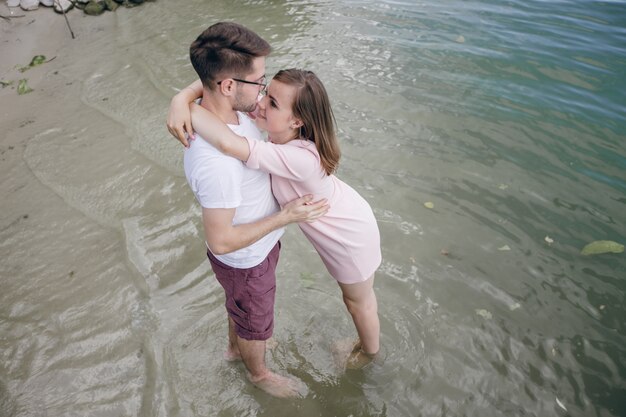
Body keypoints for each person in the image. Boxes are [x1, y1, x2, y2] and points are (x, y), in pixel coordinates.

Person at [168, 68, 382, 369]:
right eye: (266, 93)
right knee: (355, 300)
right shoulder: (279, 128)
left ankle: (369, 355)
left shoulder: (300, 158)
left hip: (348, 236)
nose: (260, 102)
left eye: (273, 103)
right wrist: (184, 96)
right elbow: (218, 86)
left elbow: (229, 144)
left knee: (358, 302)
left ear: (296, 121)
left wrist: (183, 105)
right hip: (344, 215)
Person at [170, 22, 329, 398]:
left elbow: (201, 87)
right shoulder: (217, 164)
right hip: (246, 259)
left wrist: (180, 99)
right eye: (258, 82)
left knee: (241, 310)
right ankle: (257, 373)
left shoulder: (222, 113)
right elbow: (222, 241)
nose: (263, 90)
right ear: (228, 86)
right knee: (256, 321)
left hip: (254, 251)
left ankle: (234, 347)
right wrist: (286, 216)